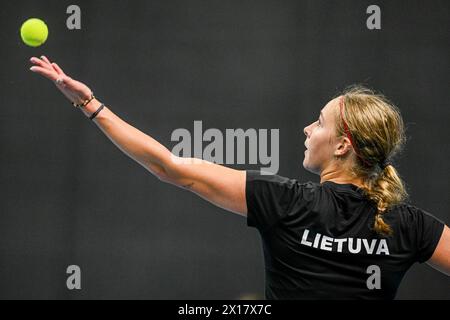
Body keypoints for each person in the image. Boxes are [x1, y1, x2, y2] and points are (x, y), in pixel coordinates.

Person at [29, 56, 449, 299]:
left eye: (318, 123)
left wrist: (89, 103)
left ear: (342, 145)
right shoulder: (409, 224)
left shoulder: (285, 202)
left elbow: (168, 166)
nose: (307, 129)